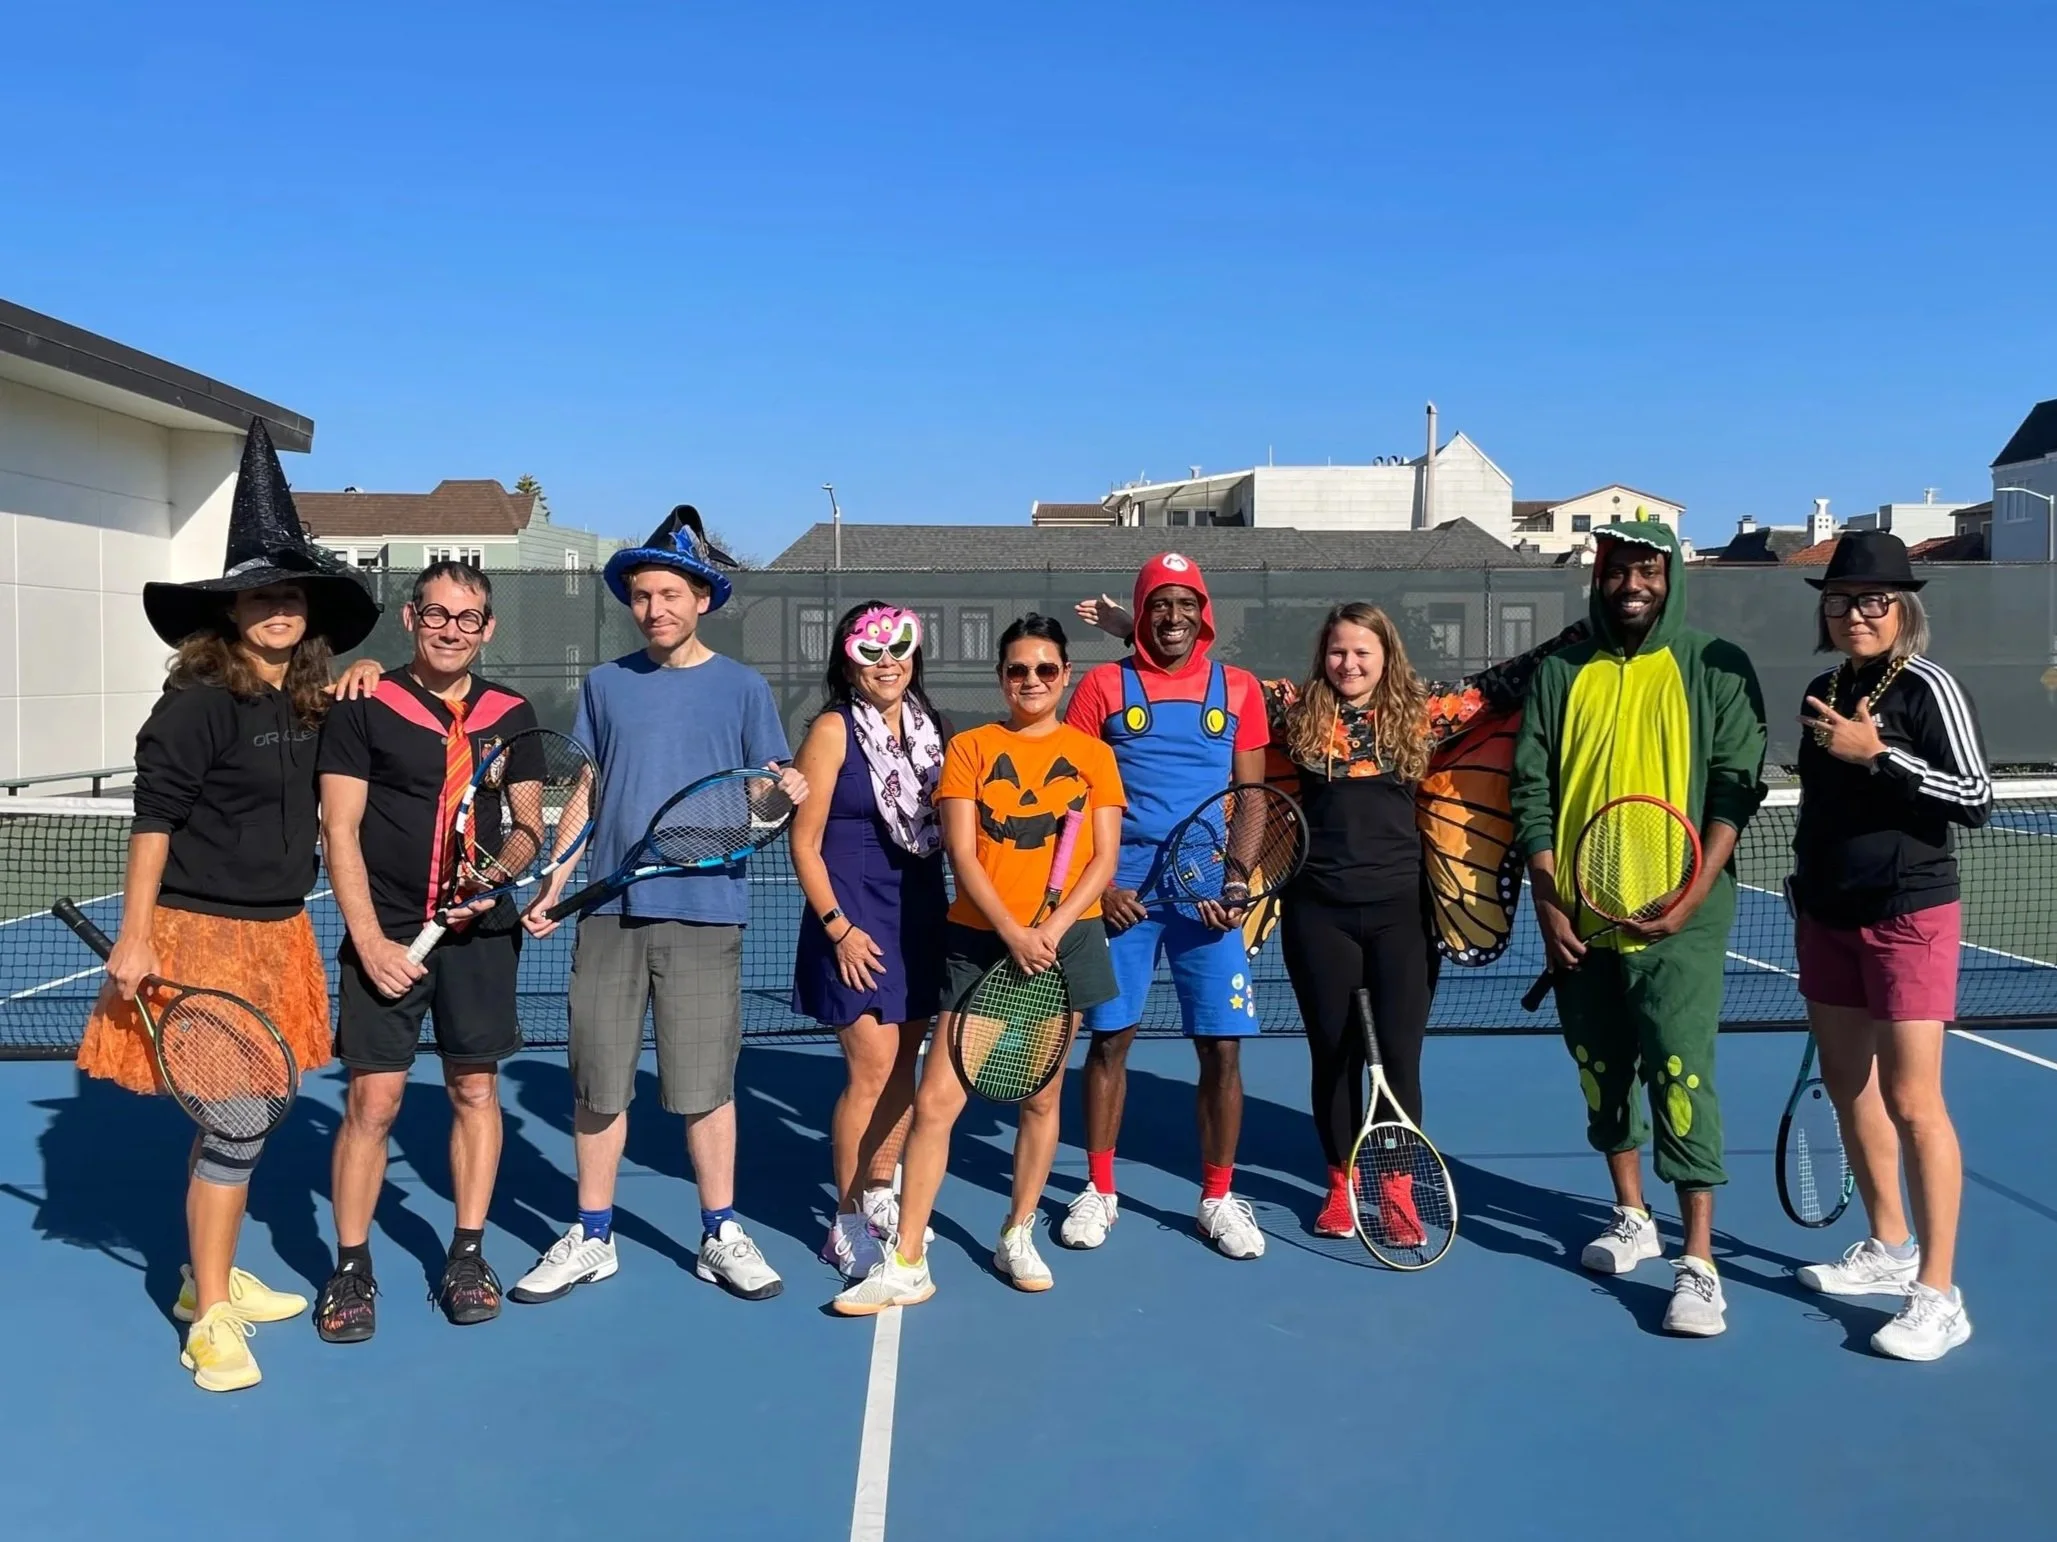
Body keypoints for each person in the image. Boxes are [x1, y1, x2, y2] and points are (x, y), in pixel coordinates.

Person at [76, 421, 379, 1391]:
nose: (277, 610)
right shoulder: (196, 705)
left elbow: (344, 728)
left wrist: (362, 681)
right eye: (259, 595)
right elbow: (152, 825)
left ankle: (210, 1280)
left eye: (288, 594)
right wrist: (132, 936)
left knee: (246, 1118)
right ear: (230, 611)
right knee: (239, 1120)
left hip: (279, 932)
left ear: (306, 611)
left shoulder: (305, 697)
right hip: (199, 938)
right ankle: (209, 1311)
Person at [516, 507, 807, 1303]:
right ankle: (593, 1234)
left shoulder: (744, 689)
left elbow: (758, 798)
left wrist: (783, 795)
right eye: (643, 596)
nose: (656, 609)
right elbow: (587, 786)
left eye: (670, 595)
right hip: (608, 914)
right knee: (597, 1085)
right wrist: (556, 876)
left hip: (707, 909)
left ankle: (720, 1231)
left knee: (704, 1085)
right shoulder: (605, 686)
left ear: (701, 600)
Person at [1511, 518, 1767, 1337]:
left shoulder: (1711, 667)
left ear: (1671, 575)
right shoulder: (1558, 671)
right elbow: (1531, 793)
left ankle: (1698, 1265)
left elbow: (1735, 788)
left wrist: (1692, 894)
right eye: (1620, 568)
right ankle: (1632, 1217)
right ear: (1600, 574)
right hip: (1578, 919)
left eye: (1648, 570)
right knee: (1599, 1072)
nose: (1633, 584)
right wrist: (1549, 900)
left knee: (1681, 1078)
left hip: (1679, 925)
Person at [832, 614, 1124, 1313]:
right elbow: (962, 853)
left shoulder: (1091, 756)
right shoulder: (970, 748)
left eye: (1045, 670)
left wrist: (1049, 927)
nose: (1031, 681)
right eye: (1018, 670)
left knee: (1043, 1097)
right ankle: (907, 1259)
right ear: (1001, 678)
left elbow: (1103, 857)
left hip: (1065, 941)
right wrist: (1011, 931)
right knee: (936, 1102)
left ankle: (1017, 1232)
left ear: (1064, 676)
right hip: (978, 940)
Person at [314, 560, 540, 1341]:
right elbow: (339, 829)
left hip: (478, 938)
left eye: (467, 618)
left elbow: (527, 828)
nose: (451, 629)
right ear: (410, 620)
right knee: (372, 1102)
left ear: (488, 629)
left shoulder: (513, 713)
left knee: (474, 1093)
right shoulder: (365, 702)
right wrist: (371, 941)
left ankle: (467, 1254)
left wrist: (498, 877)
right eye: (437, 615)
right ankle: (350, 1269)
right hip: (387, 933)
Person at [1789, 531, 1989, 1361]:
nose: (1855, 614)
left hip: (1908, 913)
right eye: (1840, 601)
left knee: (1914, 1103)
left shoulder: (1929, 688)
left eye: (1873, 600)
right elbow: (1818, 808)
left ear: (1901, 608)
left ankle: (1938, 1294)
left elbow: (1972, 796)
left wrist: (1881, 755)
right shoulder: (1821, 688)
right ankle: (1889, 1247)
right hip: (1827, 916)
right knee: (1848, 1089)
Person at [1059, 555, 1273, 1260]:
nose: (1173, 617)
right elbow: (1079, 798)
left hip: (1208, 898)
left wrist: (1235, 882)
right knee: (1110, 1041)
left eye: (1186, 604)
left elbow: (1250, 798)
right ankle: (1098, 1189)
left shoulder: (1238, 689)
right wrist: (1105, 887)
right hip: (1122, 897)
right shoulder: (1101, 686)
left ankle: (1216, 1197)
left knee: (1220, 1048)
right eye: (1159, 604)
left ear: (1203, 611)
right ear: (1141, 611)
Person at [789, 603, 950, 1280]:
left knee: (905, 1063)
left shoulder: (931, 730)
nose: (887, 665)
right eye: (872, 654)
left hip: (918, 912)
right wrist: (838, 929)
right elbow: (803, 842)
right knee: (871, 1068)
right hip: (850, 917)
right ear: (849, 661)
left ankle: (880, 1188)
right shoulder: (830, 730)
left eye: (898, 652)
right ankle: (847, 1219)